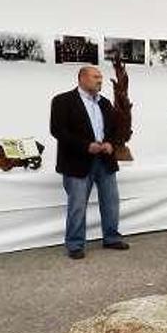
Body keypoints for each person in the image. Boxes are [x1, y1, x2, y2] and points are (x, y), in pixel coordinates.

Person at [50, 66, 128, 259]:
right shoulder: (62, 101)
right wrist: (86, 146)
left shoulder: (105, 103)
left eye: (100, 77)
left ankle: (111, 237)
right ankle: (75, 244)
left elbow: (114, 129)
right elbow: (58, 131)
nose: (100, 80)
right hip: (77, 161)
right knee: (77, 204)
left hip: (105, 160)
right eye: (95, 77)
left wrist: (111, 143)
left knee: (111, 202)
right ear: (82, 78)